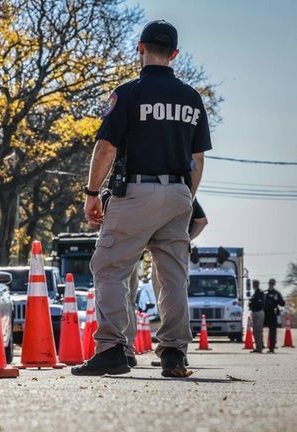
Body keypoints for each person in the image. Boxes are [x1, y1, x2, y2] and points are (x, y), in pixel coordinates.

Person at [71, 20, 212, 378]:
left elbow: (105, 147)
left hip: (135, 192)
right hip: (180, 193)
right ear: (175, 54)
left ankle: (113, 349)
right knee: (172, 278)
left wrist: (91, 194)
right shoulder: (192, 98)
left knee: (109, 269)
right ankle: (174, 355)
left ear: (141, 48)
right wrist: (185, 197)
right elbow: (197, 159)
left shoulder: (129, 93)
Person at [129, 198, 207, 367]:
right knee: (175, 292)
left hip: (158, 247)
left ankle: (172, 349)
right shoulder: (184, 191)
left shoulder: (140, 188)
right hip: (176, 248)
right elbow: (201, 221)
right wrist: (186, 238)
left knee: (164, 298)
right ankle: (177, 350)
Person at [263, 278, 285, 353]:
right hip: (265, 314)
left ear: (274, 284)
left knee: (272, 332)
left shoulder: (277, 293)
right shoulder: (265, 293)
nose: (271, 285)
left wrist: (277, 299)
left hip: (273, 314)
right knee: (259, 330)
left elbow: (282, 303)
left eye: (272, 283)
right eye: (270, 283)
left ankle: (271, 348)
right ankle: (260, 346)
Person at [249, 279, 265, 353]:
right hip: (254, 312)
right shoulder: (254, 293)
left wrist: (253, 303)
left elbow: (261, 303)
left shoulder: (260, 293)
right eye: (253, 284)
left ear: (258, 284)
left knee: (258, 331)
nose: (254, 285)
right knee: (255, 331)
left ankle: (259, 348)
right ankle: (257, 347)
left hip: (259, 312)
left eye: (255, 284)